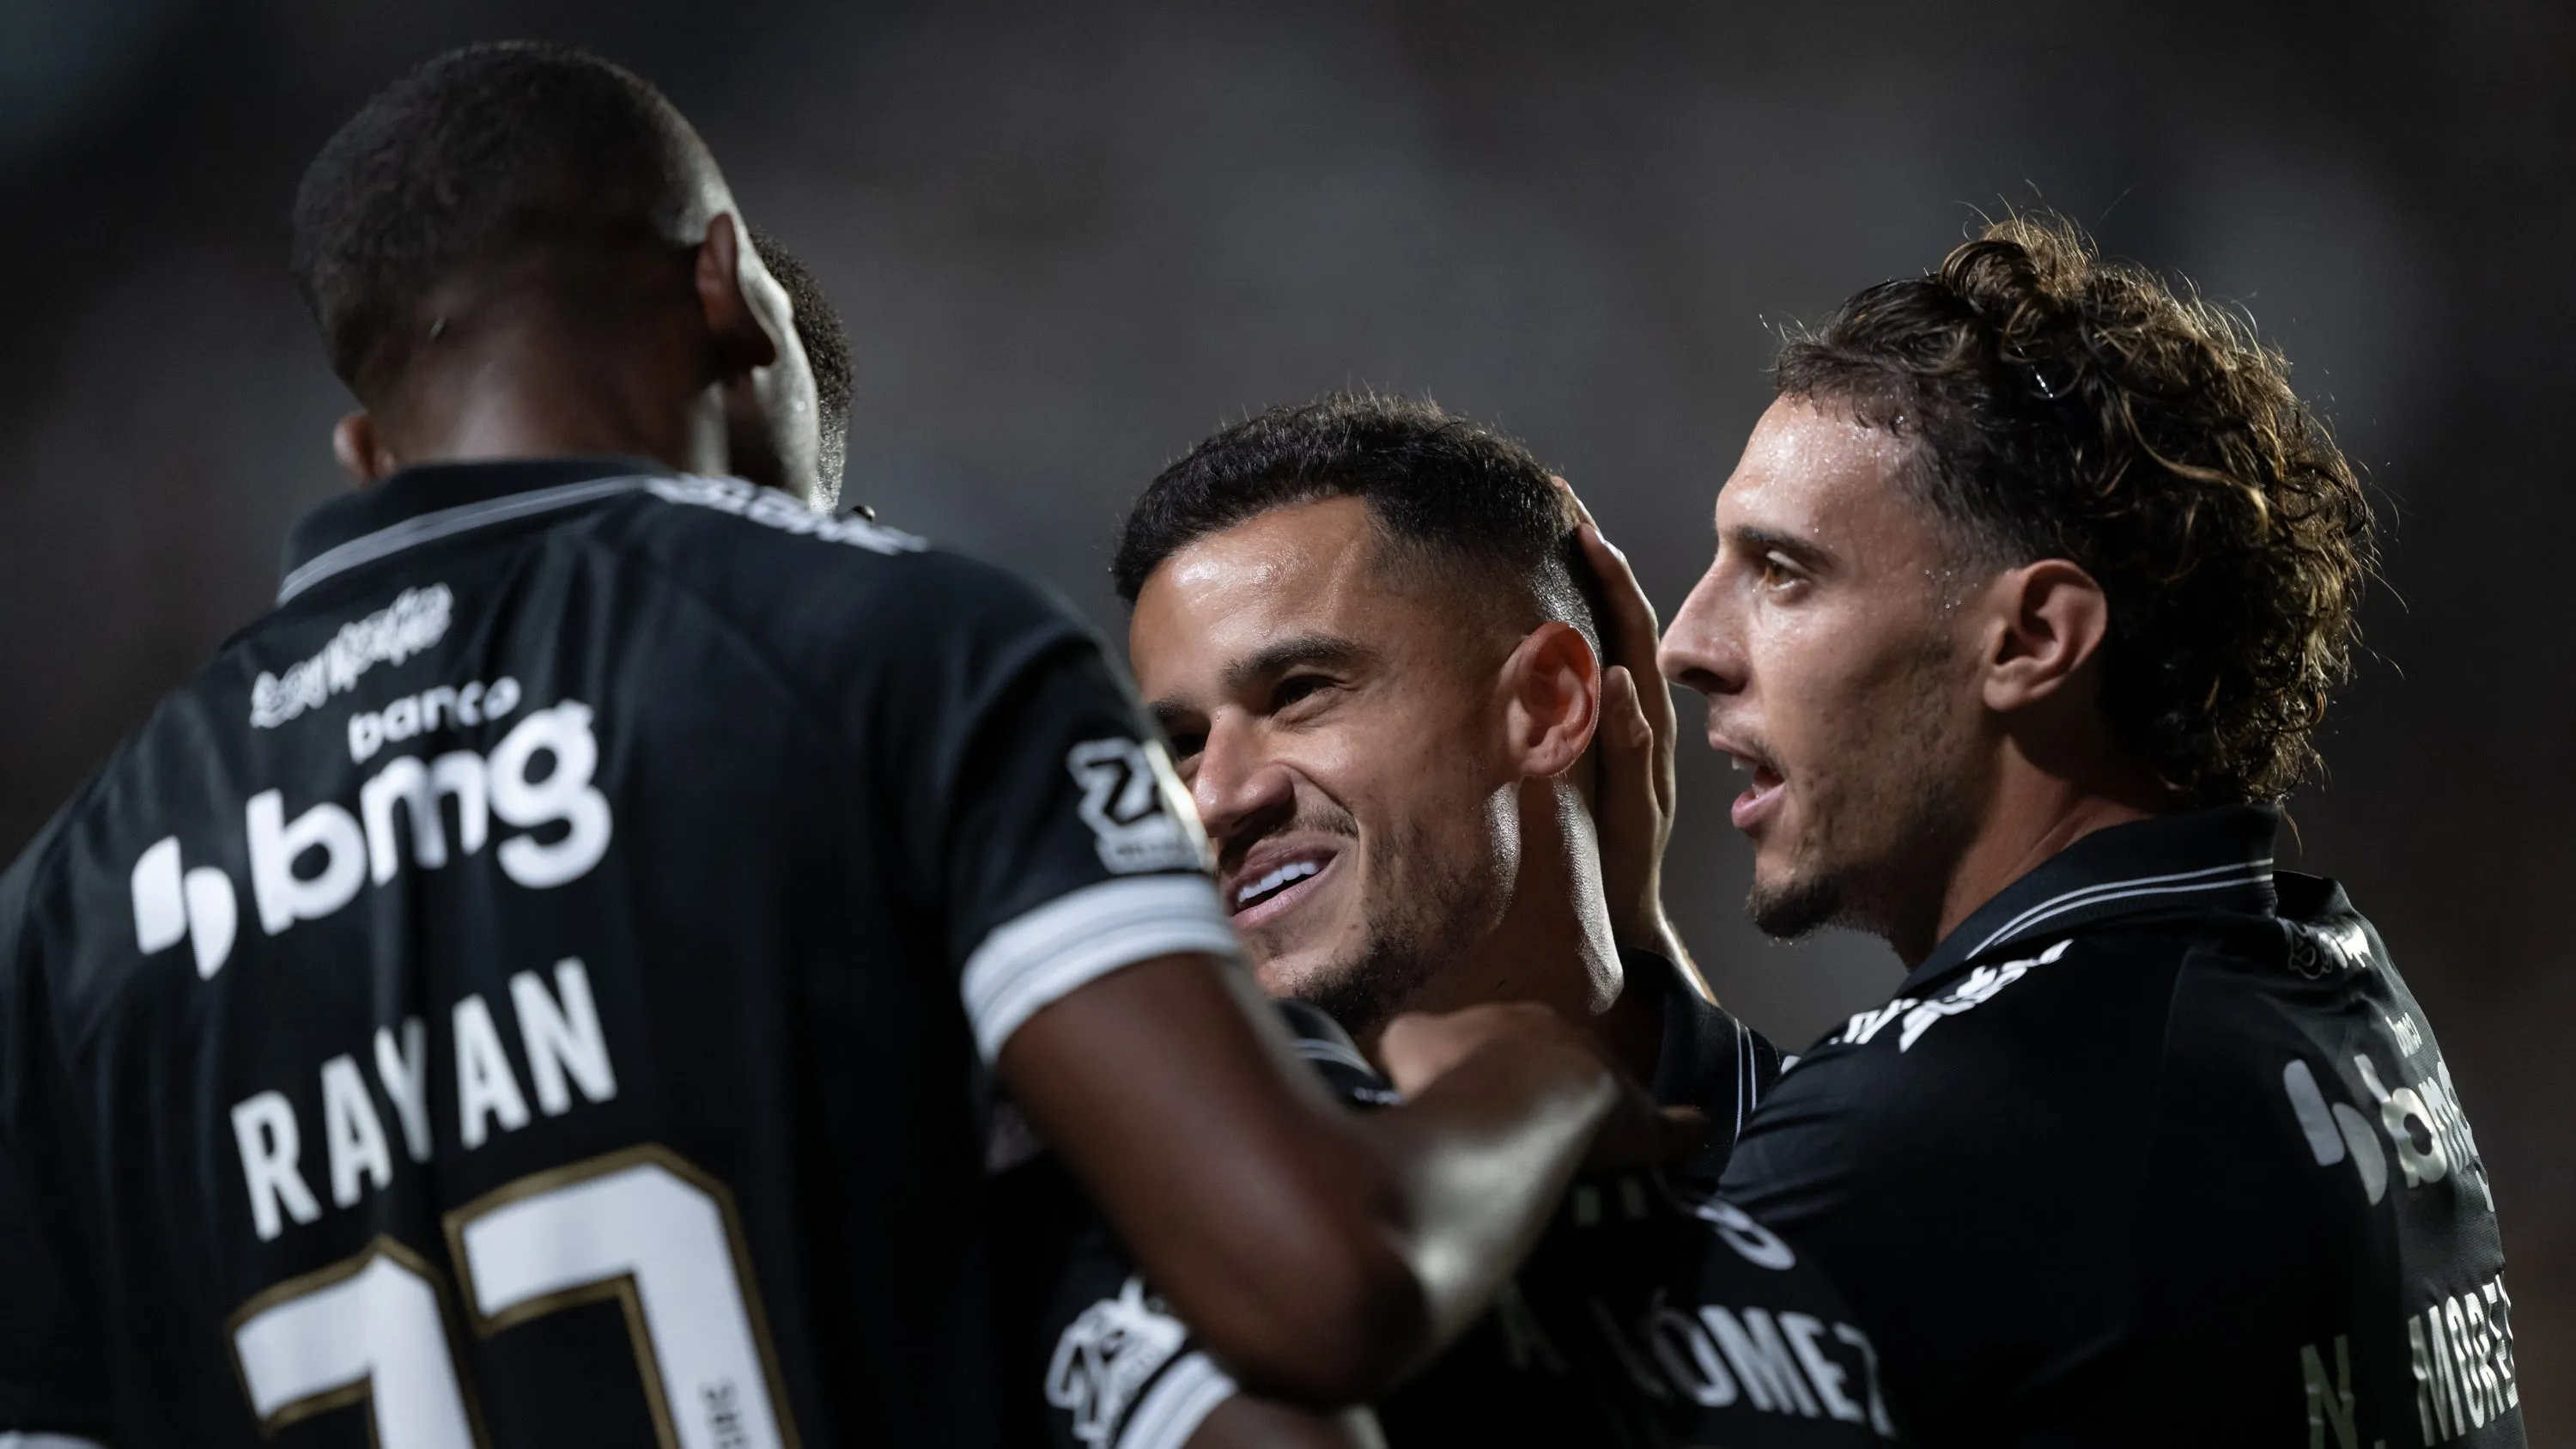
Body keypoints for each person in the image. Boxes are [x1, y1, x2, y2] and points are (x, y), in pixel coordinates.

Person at [0, 44, 1672, 1446]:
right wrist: (1542, 1060)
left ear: (373, 455)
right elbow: (1312, 1295)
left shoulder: (60, 912)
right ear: (728, 289)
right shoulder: (888, 648)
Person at [1649, 216, 2523, 1445]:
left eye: (1783, 571)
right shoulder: (2325, 980)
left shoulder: (1954, 1120)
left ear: (2033, 638)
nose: (1688, 641)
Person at [1004, 393, 1897, 1449]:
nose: (1218, 798)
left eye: (1299, 692)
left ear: (1552, 706)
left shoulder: (1872, 1174)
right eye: (1185, 742)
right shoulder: (1142, 1230)